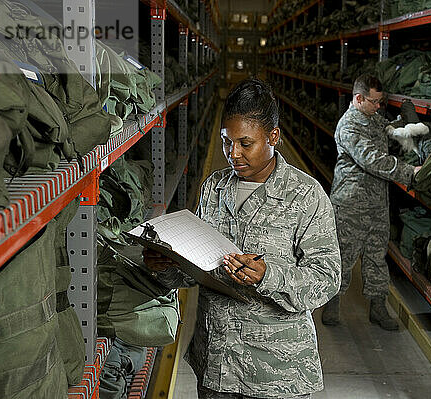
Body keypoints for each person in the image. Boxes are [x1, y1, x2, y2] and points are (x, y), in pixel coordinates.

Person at [143, 78, 341, 399]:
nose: (233, 153)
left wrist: (268, 276)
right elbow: (199, 264)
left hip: (276, 372)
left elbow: (327, 280)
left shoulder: (305, 195)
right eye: (225, 141)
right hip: (217, 363)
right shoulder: (214, 187)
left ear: (273, 137)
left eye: (245, 143)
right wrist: (166, 265)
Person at [322, 73, 422, 330]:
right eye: (374, 102)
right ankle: (332, 303)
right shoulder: (349, 126)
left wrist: (405, 126)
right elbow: (373, 160)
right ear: (358, 98)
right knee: (344, 256)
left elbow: (388, 130)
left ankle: (378, 307)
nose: (379, 107)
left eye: (381, 102)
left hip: (377, 202)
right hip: (351, 204)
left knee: (377, 256)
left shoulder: (372, 118)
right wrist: (409, 173)